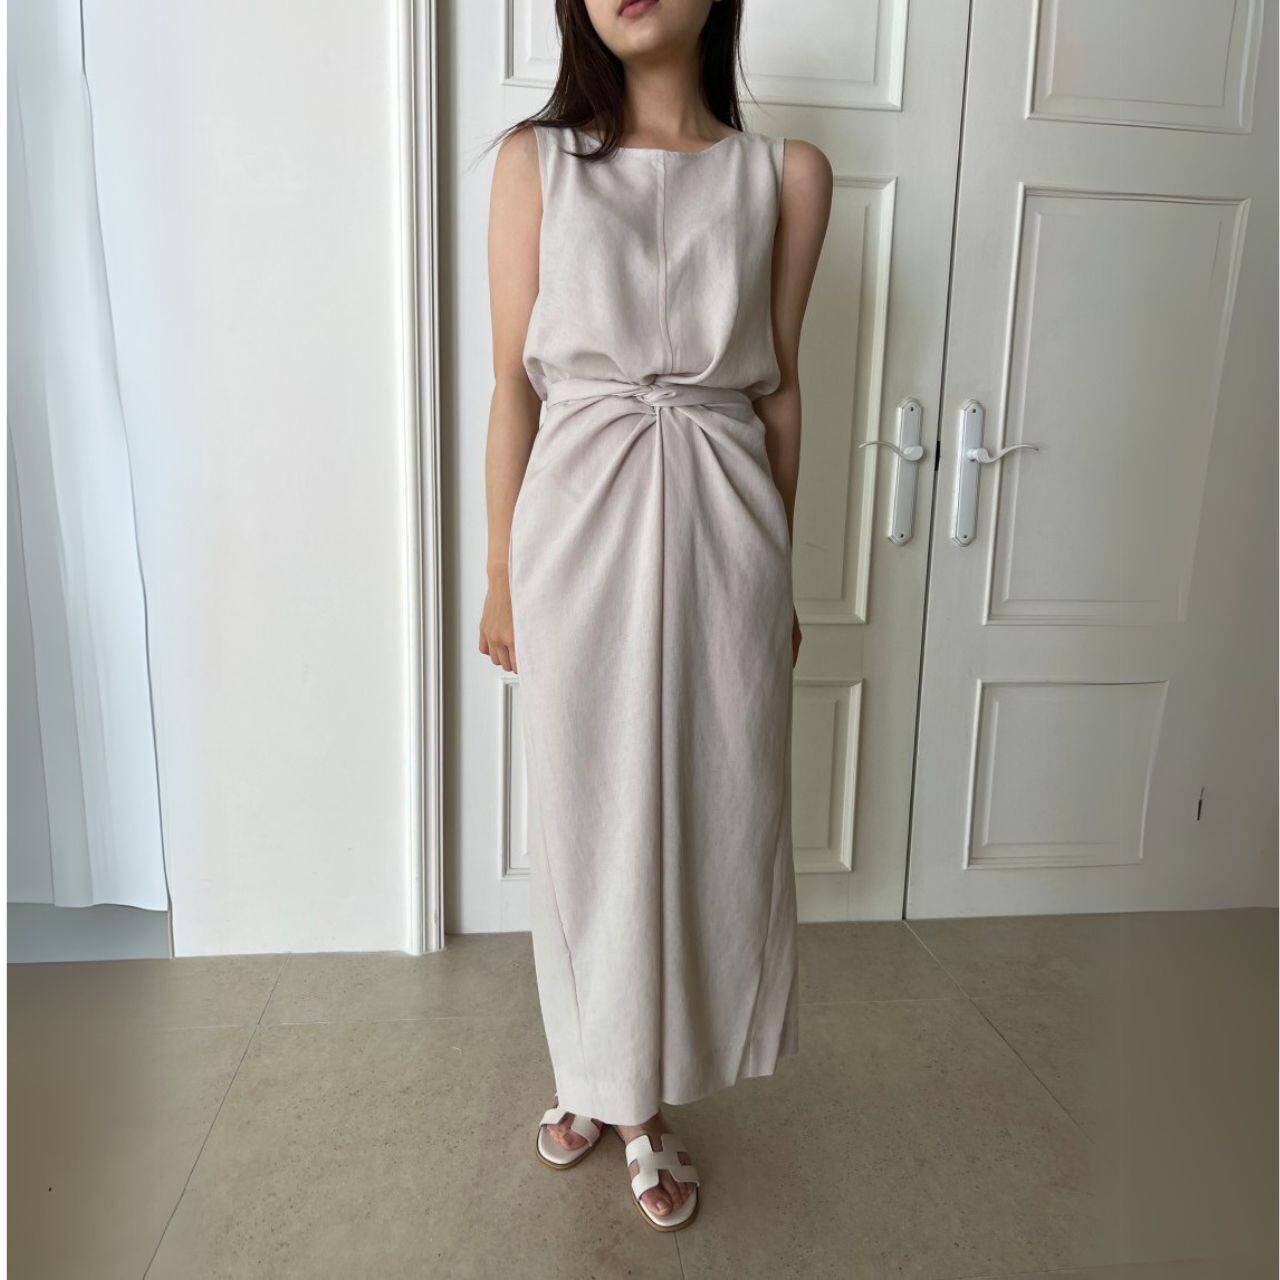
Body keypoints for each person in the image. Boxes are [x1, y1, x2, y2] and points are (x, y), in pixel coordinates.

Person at [478, 0, 831, 1232]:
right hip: (576, 524)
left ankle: (635, 1081)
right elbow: (511, 388)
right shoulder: (534, 163)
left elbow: (778, 393)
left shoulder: (785, 175)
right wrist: (499, 572)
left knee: (713, 814)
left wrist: (778, 574)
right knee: (585, 816)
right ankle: (606, 1082)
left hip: (727, 530)